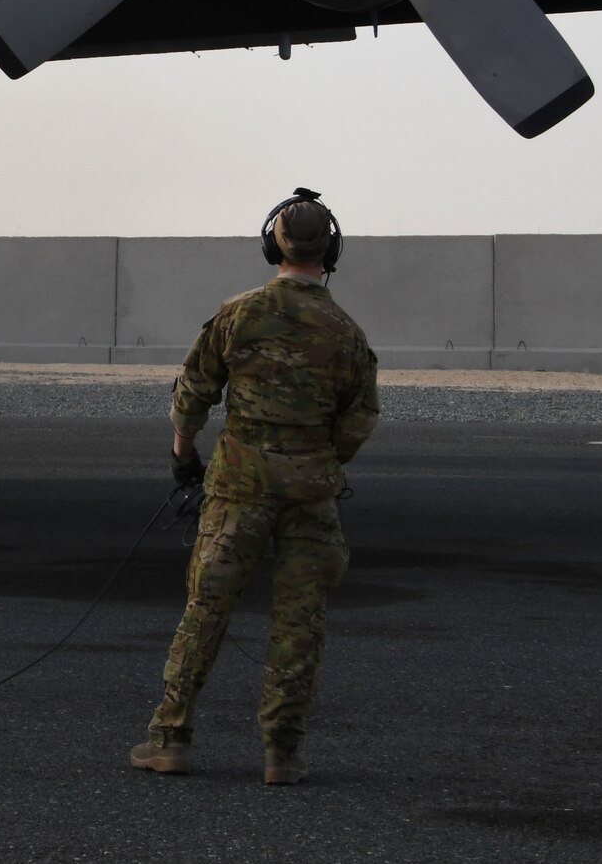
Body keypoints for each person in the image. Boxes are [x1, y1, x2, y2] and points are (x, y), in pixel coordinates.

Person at [129, 188, 380, 786]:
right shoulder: (346, 332)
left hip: (237, 489)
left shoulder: (238, 313)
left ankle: (170, 738)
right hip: (310, 494)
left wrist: (184, 456)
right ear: (332, 250)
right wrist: (318, 458)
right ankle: (283, 754)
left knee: (206, 610)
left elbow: (192, 394)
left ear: (273, 244)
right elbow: (358, 421)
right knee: (300, 621)